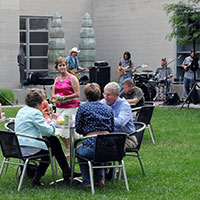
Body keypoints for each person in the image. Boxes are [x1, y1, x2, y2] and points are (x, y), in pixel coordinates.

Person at [14, 89, 80, 186]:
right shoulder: (35, 113)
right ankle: (39, 177)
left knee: (53, 141)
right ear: (38, 103)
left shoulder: (22, 110)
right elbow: (49, 131)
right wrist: (54, 122)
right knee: (52, 145)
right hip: (29, 147)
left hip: (18, 146)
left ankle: (66, 171)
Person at [75, 83, 114, 188]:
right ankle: (100, 179)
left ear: (86, 96)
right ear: (99, 95)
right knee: (99, 148)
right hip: (109, 148)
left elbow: (78, 128)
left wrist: (86, 131)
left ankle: (87, 181)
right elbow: (111, 128)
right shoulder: (108, 109)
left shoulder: (83, 108)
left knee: (80, 151)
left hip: (91, 146)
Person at [52, 57, 80, 157]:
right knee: (62, 130)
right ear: (57, 68)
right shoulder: (57, 79)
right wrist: (56, 98)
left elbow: (77, 94)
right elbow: (53, 94)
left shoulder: (72, 78)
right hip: (60, 107)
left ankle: (69, 149)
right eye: (60, 65)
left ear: (67, 66)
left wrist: (65, 97)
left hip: (71, 107)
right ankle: (75, 141)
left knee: (62, 128)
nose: (62, 67)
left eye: (64, 65)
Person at [101, 82, 138, 150]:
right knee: (91, 146)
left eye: (108, 95)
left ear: (117, 95)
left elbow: (120, 123)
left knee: (107, 148)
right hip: (108, 136)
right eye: (104, 94)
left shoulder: (124, 105)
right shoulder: (103, 102)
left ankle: (107, 160)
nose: (105, 97)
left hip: (127, 138)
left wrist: (103, 118)